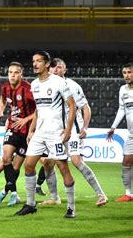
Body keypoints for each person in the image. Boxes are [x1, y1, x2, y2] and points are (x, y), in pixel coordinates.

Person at [15, 51, 77, 218]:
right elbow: (38, 110)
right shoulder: (34, 84)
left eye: (39, 61)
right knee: (28, 165)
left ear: (47, 64)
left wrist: (68, 129)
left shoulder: (58, 82)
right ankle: (30, 204)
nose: (35, 64)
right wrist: (31, 130)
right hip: (40, 133)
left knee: (63, 168)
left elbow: (72, 106)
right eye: (33, 61)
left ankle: (71, 208)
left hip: (56, 133)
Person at [40, 58, 108, 207]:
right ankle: (54, 197)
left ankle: (101, 194)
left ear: (65, 70)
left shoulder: (73, 86)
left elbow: (86, 108)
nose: (56, 70)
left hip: (74, 131)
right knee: (47, 162)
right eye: (53, 67)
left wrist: (84, 127)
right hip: (56, 133)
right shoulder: (46, 86)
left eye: (59, 67)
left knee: (76, 161)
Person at [0, 62, 36, 207]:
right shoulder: (5, 87)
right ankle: (11, 193)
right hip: (13, 127)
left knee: (16, 168)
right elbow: (3, 98)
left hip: (28, 131)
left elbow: (39, 109)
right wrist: (0, 112)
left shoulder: (29, 89)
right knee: (5, 157)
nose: (12, 75)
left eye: (16, 72)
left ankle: (6, 192)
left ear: (21, 74)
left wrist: (26, 120)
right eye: (10, 72)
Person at [107, 63, 133, 202]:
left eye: (129, 72)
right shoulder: (123, 89)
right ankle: (128, 194)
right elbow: (122, 109)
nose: (127, 75)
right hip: (131, 135)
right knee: (126, 162)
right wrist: (113, 127)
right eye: (124, 72)